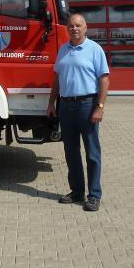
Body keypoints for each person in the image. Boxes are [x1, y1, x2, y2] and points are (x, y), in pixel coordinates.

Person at [46, 12, 110, 212]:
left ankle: (94, 195)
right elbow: (57, 78)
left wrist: (99, 107)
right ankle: (77, 192)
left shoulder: (94, 49)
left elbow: (104, 79)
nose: (74, 28)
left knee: (92, 153)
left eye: (78, 25)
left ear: (85, 28)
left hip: (87, 105)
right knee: (71, 152)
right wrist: (51, 103)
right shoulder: (63, 49)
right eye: (71, 26)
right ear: (67, 29)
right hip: (66, 106)